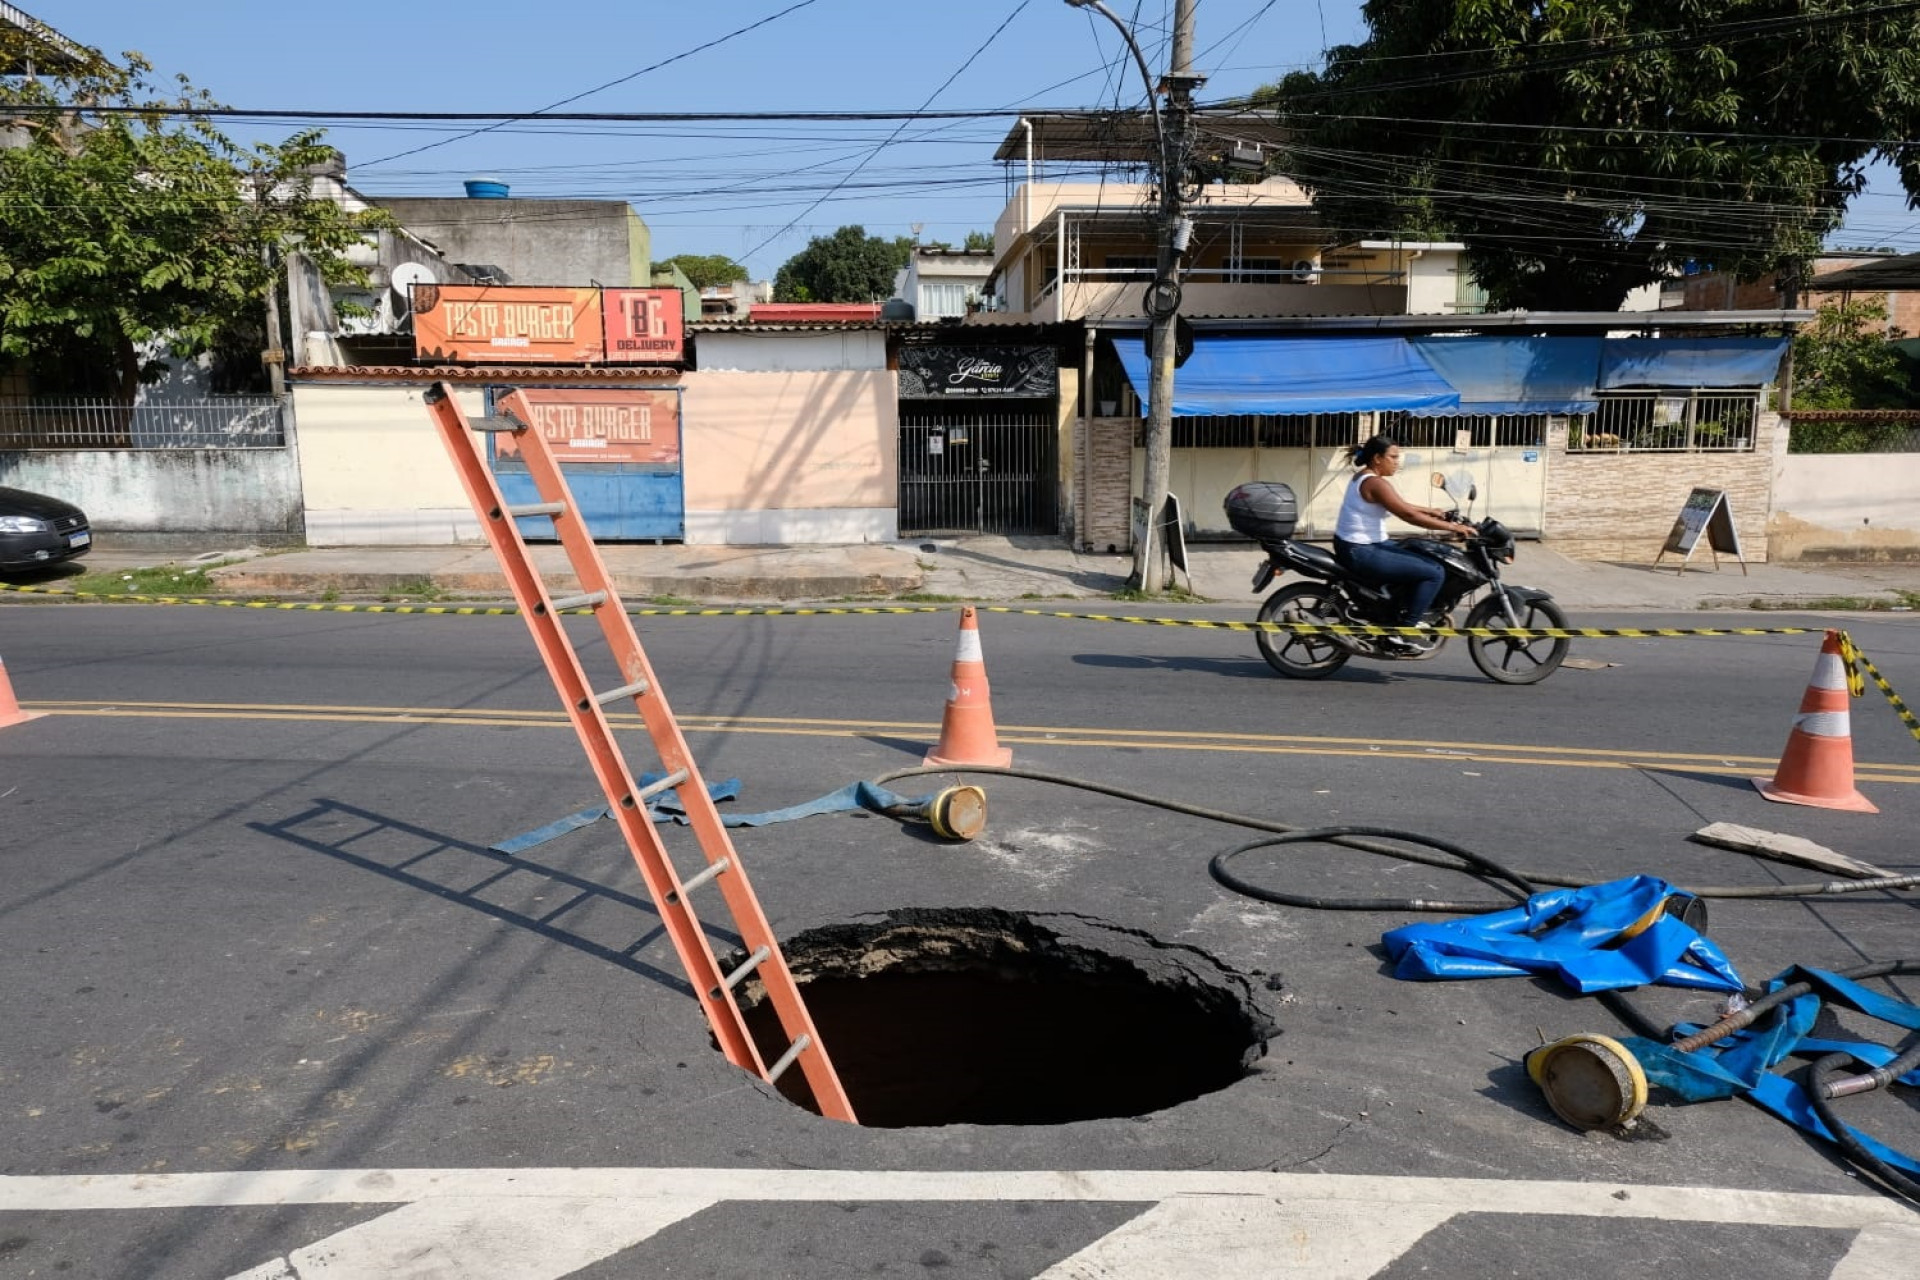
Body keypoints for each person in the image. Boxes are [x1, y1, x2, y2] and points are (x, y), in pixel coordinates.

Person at [1332, 434, 1477, 654]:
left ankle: (1400, 610)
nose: (1397, 462)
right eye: (1393, 457)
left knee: (1416, 550)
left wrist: (1433, 511)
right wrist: (1454, 528)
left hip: (1362, 544)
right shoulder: (1375, 482)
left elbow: (1399, 504)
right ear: (1377, 458)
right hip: (1361, 550)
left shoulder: (1366, 477)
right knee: (1434, 572)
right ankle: (1403, 631)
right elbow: (1406, 514)